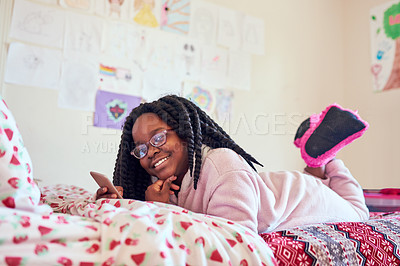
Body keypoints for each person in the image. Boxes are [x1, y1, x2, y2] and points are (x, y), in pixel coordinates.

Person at [95, 95, 369, 234]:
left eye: (158, 138)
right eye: (141, 149)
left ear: (184, 132)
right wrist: (124, 205)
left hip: (306, 195)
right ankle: (316, 163)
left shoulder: (221, 166)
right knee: (318, 182)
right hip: (280, 188)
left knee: (359, 212)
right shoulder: (168, 182)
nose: (151, 153)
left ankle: (326, 161)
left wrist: (165, 210)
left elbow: (235, 237)